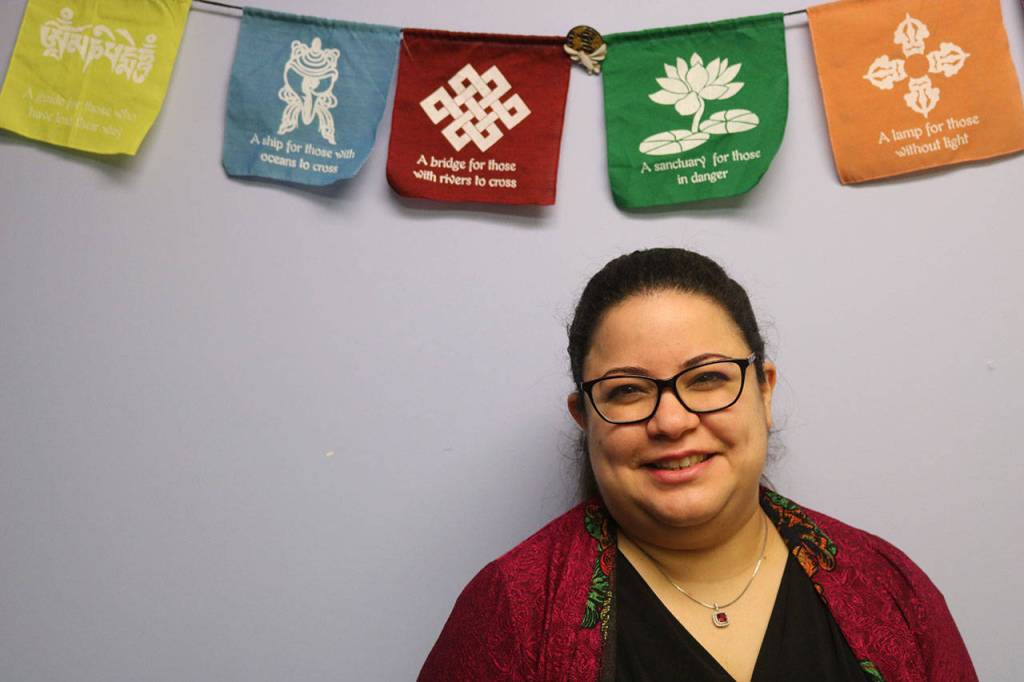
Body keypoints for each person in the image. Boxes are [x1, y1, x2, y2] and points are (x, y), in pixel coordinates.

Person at [418, 248, 976, 682]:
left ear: (764, 391)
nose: (671, 421)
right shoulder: (510, 610)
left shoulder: (890, 587)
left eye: (707, 378)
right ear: (584, 416)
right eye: (628, 390)